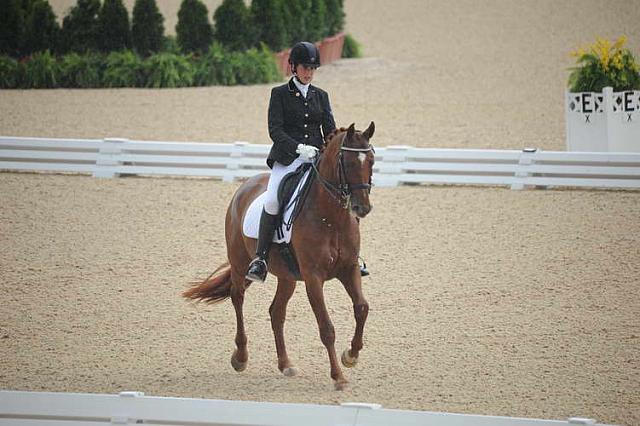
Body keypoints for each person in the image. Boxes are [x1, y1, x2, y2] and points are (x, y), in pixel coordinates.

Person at [245, 41, 369, 283]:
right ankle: (260, 259)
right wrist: (298, 148)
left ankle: (353, 255)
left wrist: (327, 152)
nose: (309, 73)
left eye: (313, 68)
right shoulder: (279, 94)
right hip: (288, 160)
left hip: (315, 161)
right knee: (271, 200)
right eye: (305, 67)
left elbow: (330, 131)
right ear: (293, 67)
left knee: (341, 195)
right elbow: (275, 130)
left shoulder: (320, 96)